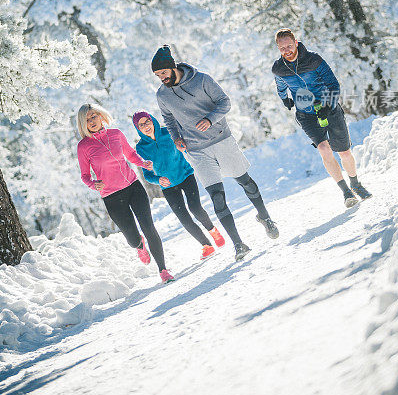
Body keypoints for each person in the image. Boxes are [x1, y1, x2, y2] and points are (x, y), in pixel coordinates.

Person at [151, 46, 279, 262]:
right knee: (217, 196)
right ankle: (238, 244)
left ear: (173, 67)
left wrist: (210, 119)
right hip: (196, 150)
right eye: (157, 75)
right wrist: (176, 138)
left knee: (245, 181)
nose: (161, 78)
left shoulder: (201, 80)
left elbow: (225, 102)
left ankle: (265, 217)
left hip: (221, 139)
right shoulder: (162, 95)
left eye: (163, 72)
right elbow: (169, 120)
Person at [271, 28, 372, 208]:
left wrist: (328, 105)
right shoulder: (278, 69)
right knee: (324, 149)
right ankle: (346, 192)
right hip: (306, 115)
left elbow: (333, 84)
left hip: (329, 108)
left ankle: (355, 183)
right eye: (282, 48)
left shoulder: (313, 60)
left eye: (288, 45)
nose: (286, 50)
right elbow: (280, 86)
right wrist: (285, 98)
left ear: (295, 42)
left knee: (344, 152)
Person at [76, 103, 174, 283]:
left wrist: (143, 163)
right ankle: (139, 245)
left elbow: (130, 154)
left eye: (94, 116)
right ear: (83, 123)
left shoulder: (116, 134)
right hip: (111, 196)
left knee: (149, 227)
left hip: (133, 187)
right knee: (131, 237)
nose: (91, 121)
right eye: (87, 119)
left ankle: (163, 270)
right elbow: (84, 175)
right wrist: (92, 184)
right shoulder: (83, 147)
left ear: (100, 116)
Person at [132, 111, 225, 260]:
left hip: (186, 175)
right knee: (184, 218)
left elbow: (186, 145)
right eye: (141, 125)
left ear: (152, 120)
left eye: (147, 121)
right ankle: (206, 245)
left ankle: (212, 229)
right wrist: (158, 180)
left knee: (195, 207)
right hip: (168, 186)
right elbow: (148, 175)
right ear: (138, 128)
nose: (145, 126)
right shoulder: (141, 148)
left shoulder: (168, 132)